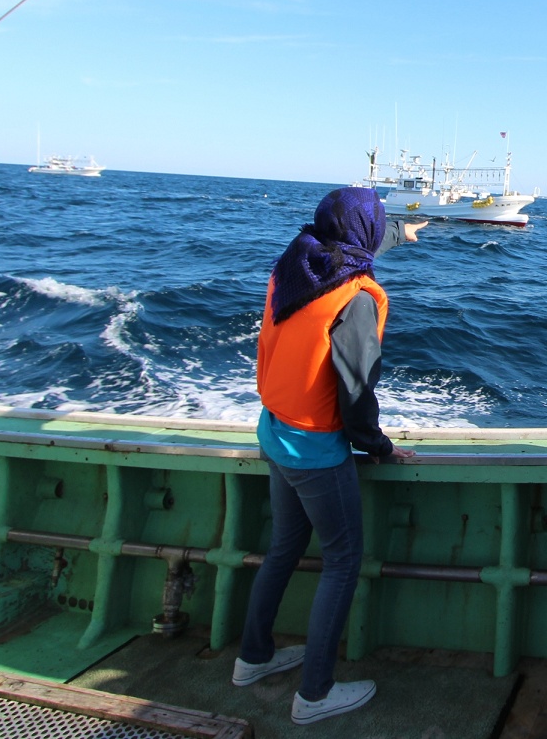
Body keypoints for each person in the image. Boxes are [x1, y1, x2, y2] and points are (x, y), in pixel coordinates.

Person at [233, 186, 422, 726]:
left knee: (284, 548)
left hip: (274, 430)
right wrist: (379, 446)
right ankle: (314, 694)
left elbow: (352, 246)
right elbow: (357, 392)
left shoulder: (297, 264)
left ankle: (253, 657)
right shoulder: (356, 297)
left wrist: (399, 236)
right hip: (315, 448)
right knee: (342, 561)